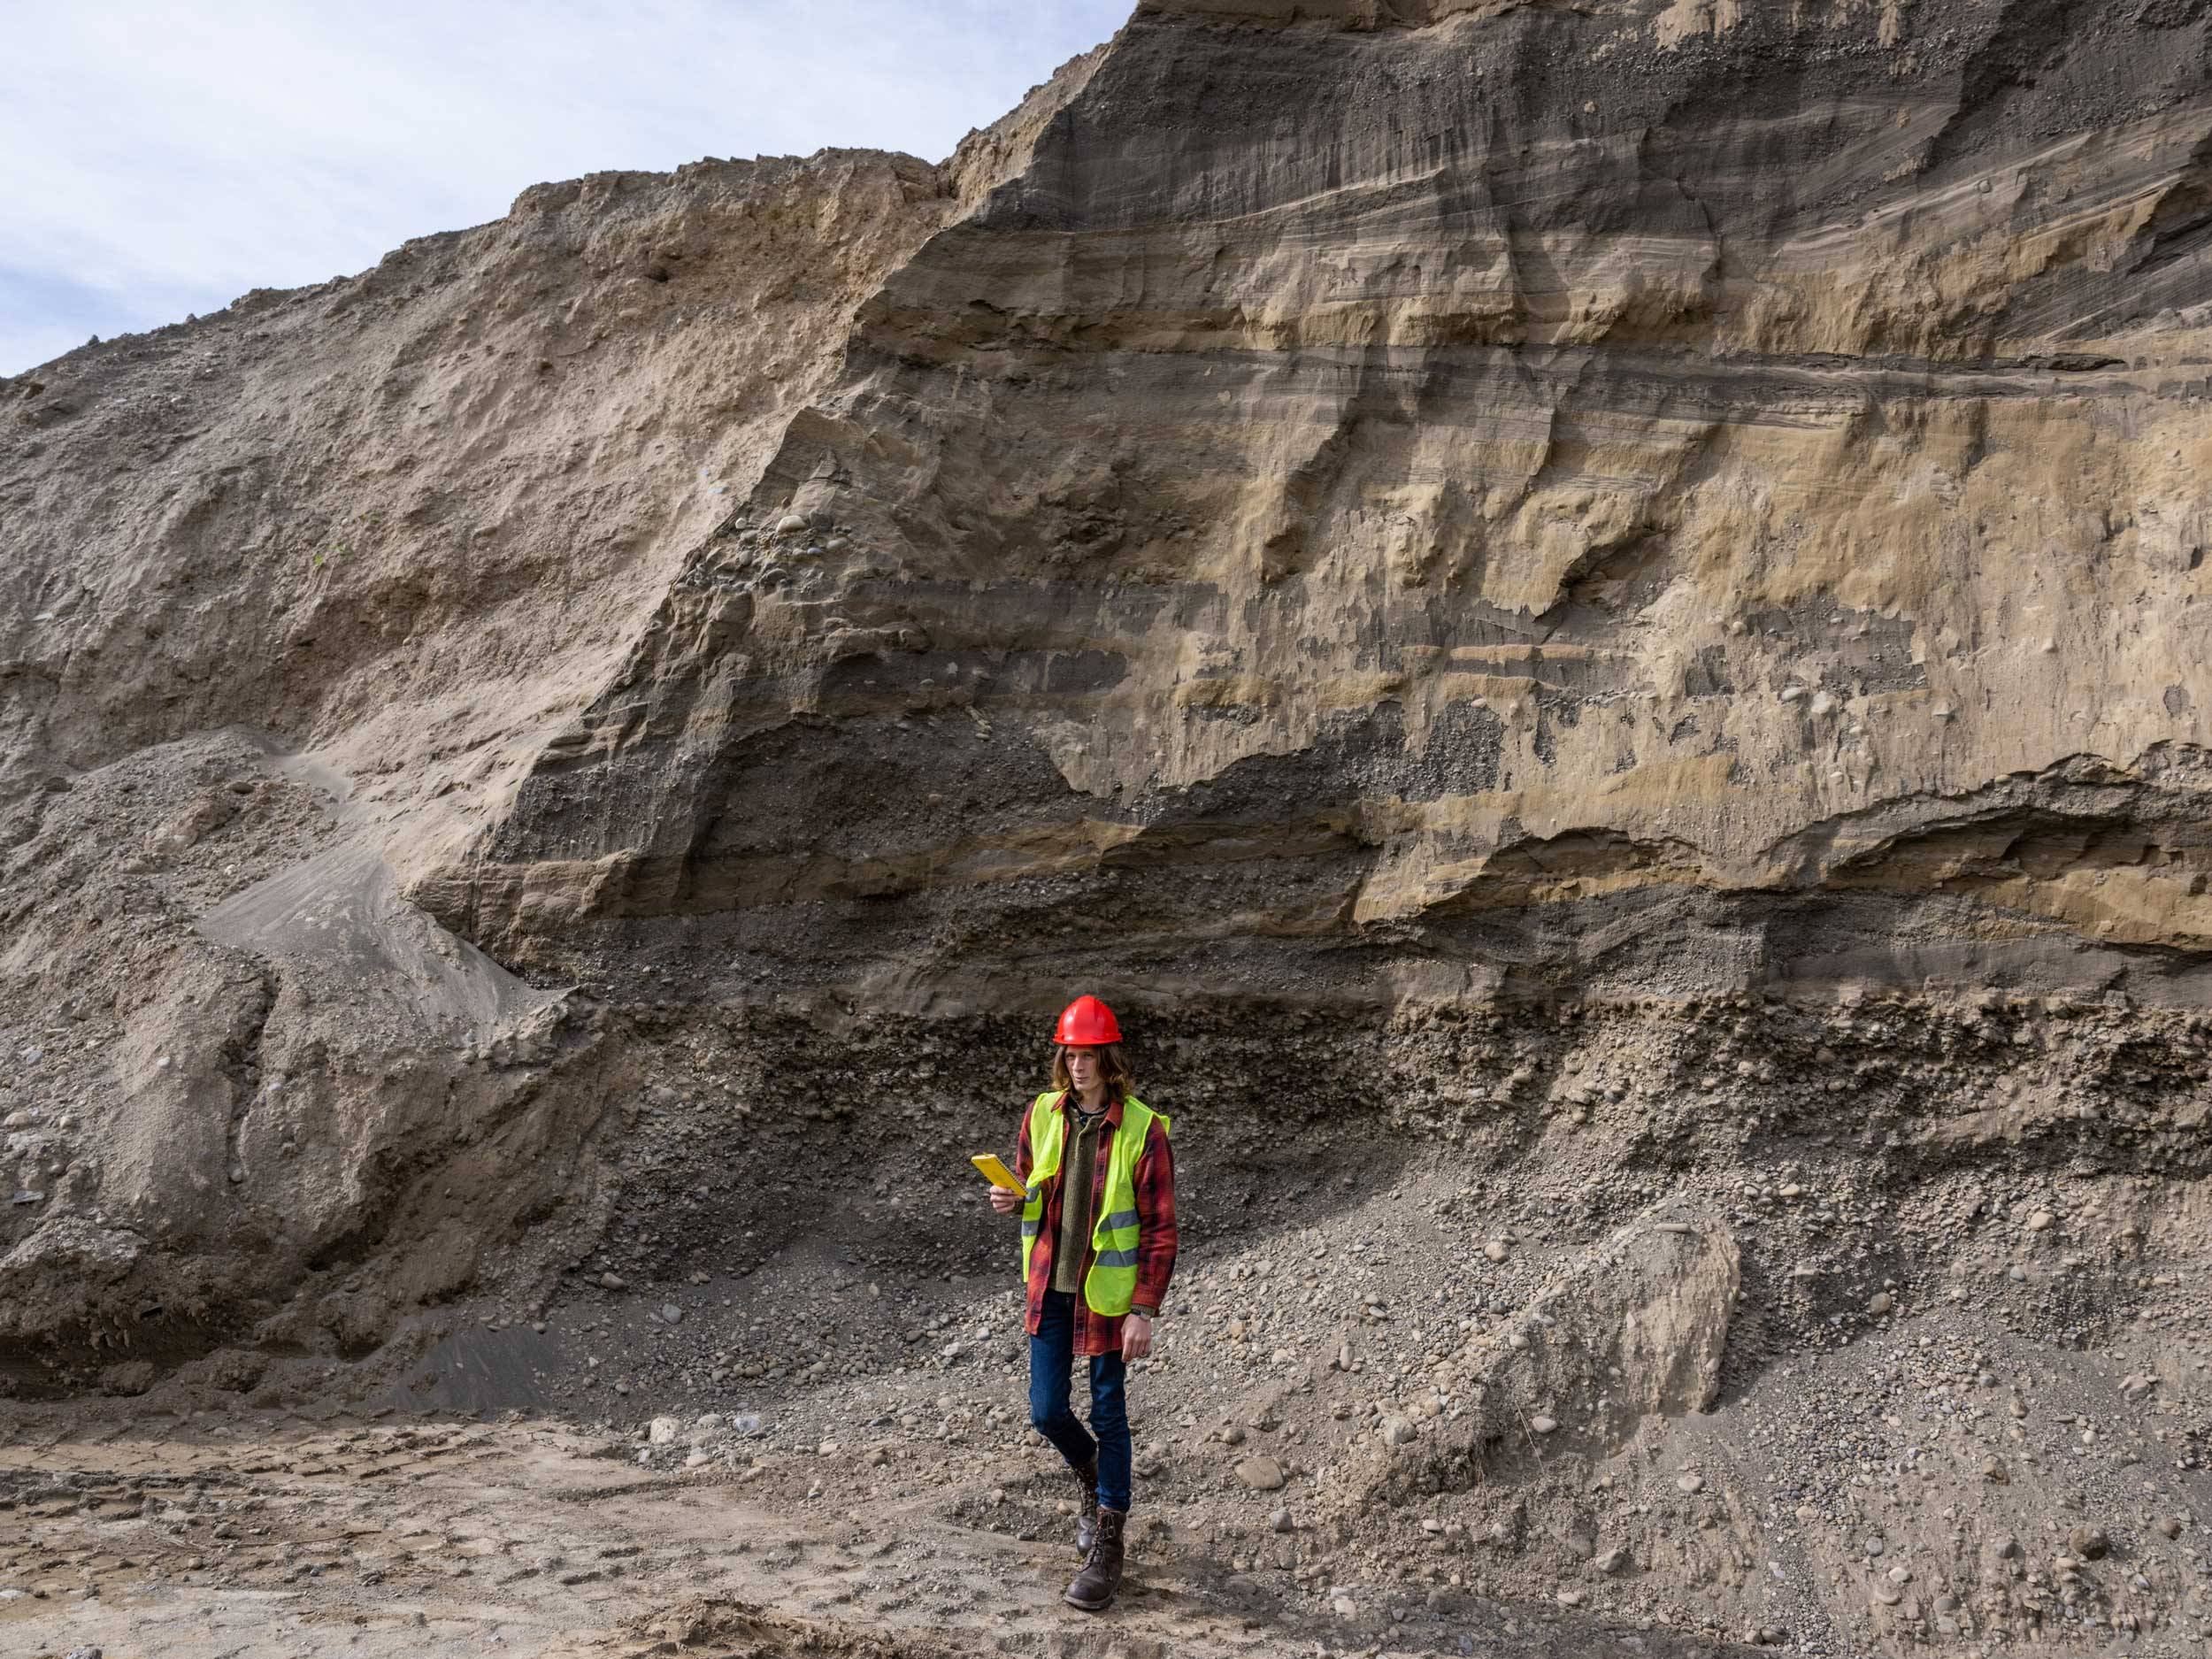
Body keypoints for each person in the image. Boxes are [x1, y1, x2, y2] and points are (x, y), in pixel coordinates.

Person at [987, 994, 1177, 1613]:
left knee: (1109, 1413)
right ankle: (1093, 1476)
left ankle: (1109, 1539)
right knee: (1045, 1411)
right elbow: (1026, 1187)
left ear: (1108, 1057)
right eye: (1069, 1052)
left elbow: (1160, 1228)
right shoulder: (1042, 1114)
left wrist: (1144, 1308)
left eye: (1087, 1052)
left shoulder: (1144, 1129)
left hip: (1110, 1299)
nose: (1076, 1063)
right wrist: (1011, 1200)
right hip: (1051, 1287)